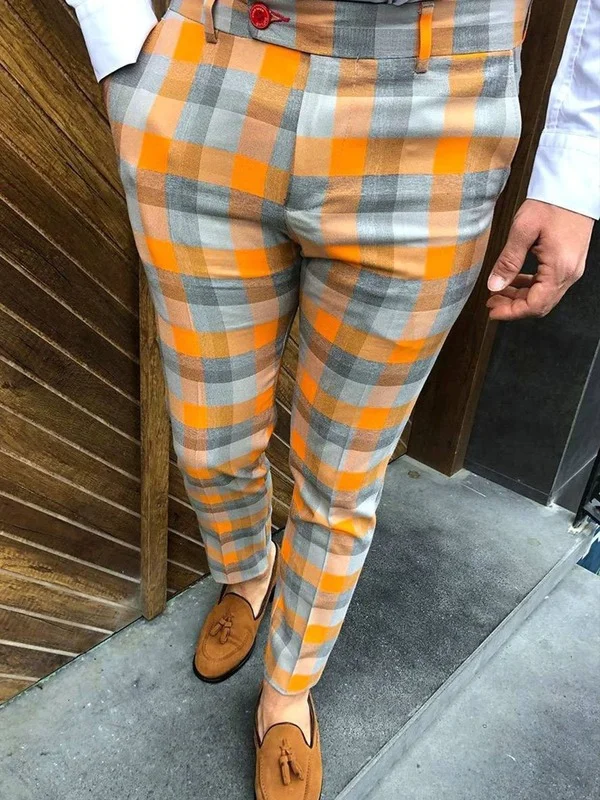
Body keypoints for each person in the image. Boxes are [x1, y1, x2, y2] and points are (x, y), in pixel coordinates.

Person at [66, 0, 599, 796]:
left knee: (342, 472)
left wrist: (577, 168)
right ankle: (247, 573)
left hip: (438, 105)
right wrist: (119, 48)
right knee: (211, 438)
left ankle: (288, 688)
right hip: (215, 65)